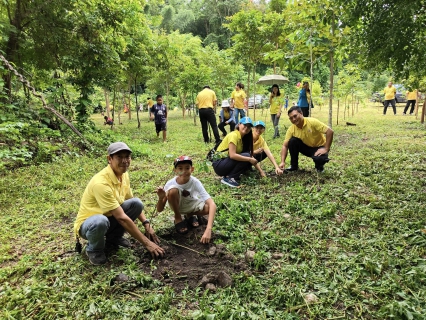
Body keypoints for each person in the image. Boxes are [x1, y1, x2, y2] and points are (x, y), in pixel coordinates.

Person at [74, 142, 165, 265]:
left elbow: (130, 200)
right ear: (109, 159)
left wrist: (146, 223)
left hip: (109, 217)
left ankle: (113, 238)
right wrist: (147, 243)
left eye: (127, 157)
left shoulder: (124, 174)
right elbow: (121, 218)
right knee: (100, 221)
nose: (124, 161)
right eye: (119, 157)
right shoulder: (101, 183)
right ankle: (94, 249)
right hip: (90, 224)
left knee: (136, 204)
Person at [155, 156, 217, 243]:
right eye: (180, 168)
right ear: (175, 170)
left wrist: (208, 229)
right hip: (178, 205)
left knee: (208, 208)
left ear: (192, 169)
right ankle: (177, 216)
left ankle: (189, 214)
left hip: (191, 204)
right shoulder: (170, 183)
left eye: (187, 168)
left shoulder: (195, 182)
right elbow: (159, 209)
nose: (184, 171)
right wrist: (161, 198)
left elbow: (212, 204)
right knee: (173, 190)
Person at [279, 107, 333, 173]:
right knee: (292, 141)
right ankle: (294, 166)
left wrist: (326, 148)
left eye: (295, 116)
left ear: (301, 113)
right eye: (291, 118)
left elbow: (329, 131)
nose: (294, 119)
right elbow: (285, 146)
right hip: (306, 148)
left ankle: (319, 167)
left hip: (319, 147)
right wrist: (282, 162)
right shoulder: (291, 129)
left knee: (320, 158)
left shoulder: (312, 122)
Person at [212, 117, 262, 187]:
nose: (246, 128)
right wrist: (249, 159)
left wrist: (261, 171)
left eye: (249, 126)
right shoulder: (234, 135)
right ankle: (229, 178)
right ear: (239, 125)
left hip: (225, 162)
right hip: (219, 164)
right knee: (247, 156)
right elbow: (232, 155)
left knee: (247, 155)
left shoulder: (242, 139)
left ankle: (233, 175)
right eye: (244, 125)